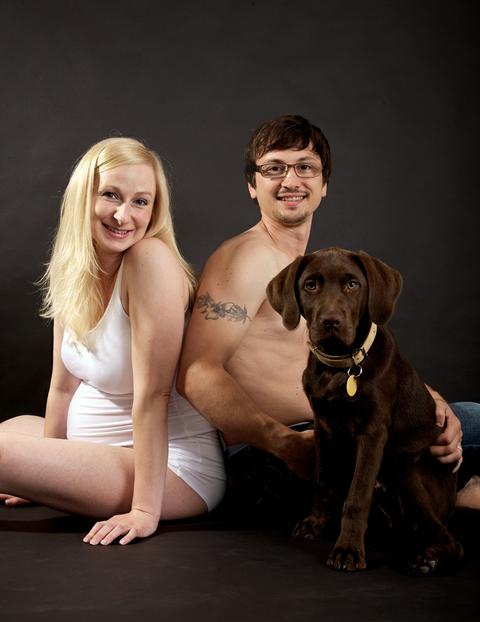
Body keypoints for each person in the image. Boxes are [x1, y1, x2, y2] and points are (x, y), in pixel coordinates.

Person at [177, 114, 479, 524]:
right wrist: (285, 443)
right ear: (252, 184)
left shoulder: (311, 271)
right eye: (274, 169)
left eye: (305, 167)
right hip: (280, 453)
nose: (290, 180)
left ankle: (448, 498)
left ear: (323, 184)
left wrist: (434, 404)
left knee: (468, 417)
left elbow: (366, 364)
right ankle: (455, 501)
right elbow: (196, 374)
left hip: (353, 426)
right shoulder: (247, 258)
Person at [0, 137, 226, 544]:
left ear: (154, 210)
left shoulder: (149, 260)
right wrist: (42, 474)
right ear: (83, 197)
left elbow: (154, 395)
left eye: (141, 201)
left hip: (168, 470)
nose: (124, 216)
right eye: (110, 195)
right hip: (95, 449)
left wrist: (144, 512)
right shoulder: (75, 271)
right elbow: (62, 388)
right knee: (10, 429)